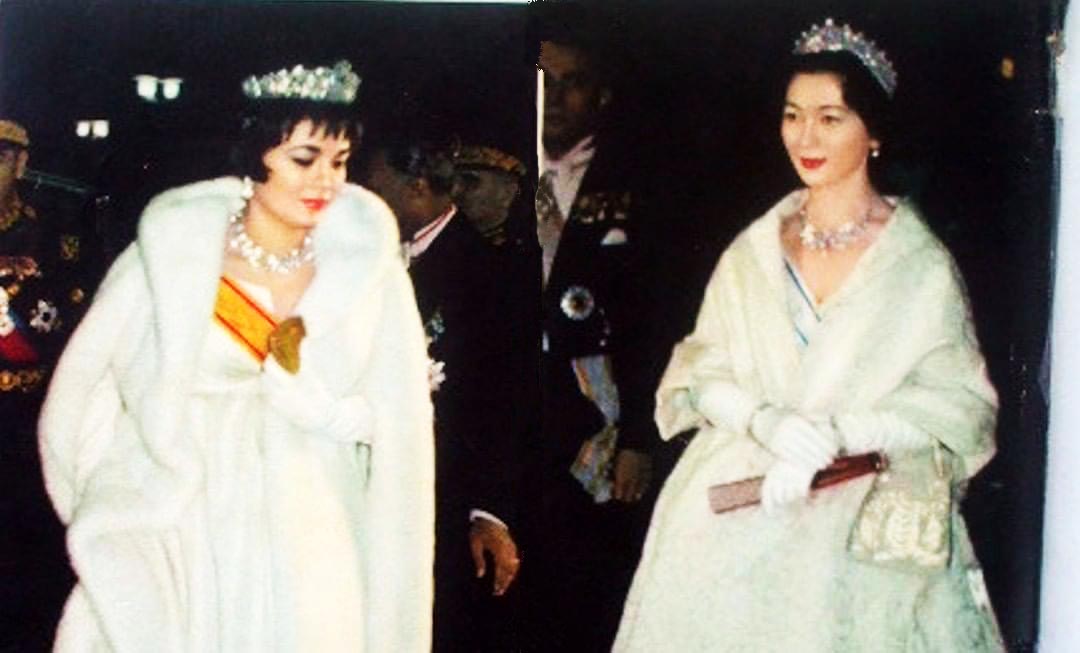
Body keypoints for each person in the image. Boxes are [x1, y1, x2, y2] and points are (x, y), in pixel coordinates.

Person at [614, 20, 1005, 652]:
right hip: (738, 514)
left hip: (859, 521)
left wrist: (843, 432)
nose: (805, 137)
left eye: (830, 118)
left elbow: (957, 406)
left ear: (873, 132)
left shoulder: (917, 264)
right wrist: (765, 421)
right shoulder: (754, 249)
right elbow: (699, 372)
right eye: (793, 115)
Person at [38, 61, 435, 651]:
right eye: (304, 158)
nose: (325, 180)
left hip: (316, 522)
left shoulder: (368, 272)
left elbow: (399, 424)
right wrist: (112, 489)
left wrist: (325, 412)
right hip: (192, 519)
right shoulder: (173, 253)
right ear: (255, 153)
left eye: (339, 161)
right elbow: (86, 387)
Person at [363, 136, 526, 652]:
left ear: (416, 188)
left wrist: (489, 510)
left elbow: (505, 399)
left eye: (377, 188)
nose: (368, 199)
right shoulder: (374, 258)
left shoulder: (485, 272)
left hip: (447, 496)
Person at [528, 34, 663, 652]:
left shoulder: (639, 181)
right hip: (518, 419)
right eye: (543, 83)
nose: (554, 99)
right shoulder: (499, 170)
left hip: (594, 424)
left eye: (571, 83)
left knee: (587, 595)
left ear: (601, 95)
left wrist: (639, 436)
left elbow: (657, 317)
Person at [0, 119, 97, 650]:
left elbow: (79, 334)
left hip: (29, 428)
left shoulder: (58, 239)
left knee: (29, 577)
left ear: (19, 163)